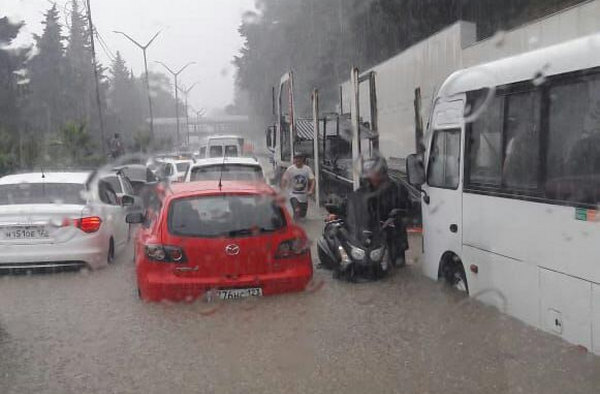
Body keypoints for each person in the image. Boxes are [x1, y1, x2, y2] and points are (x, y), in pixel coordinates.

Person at [329, 155, 410, 267]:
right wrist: (337, 213)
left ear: (382, 172)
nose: (371, 175)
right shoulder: (364, 189)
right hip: (371, 232)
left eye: (374, 172)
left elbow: (408, 208)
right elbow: (352, 202)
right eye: (369, 172)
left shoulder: (398, 189)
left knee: (397, 269)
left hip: (393, 234)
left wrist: (398, 215)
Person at [281, 152, 315, 220]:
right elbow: (284, 179)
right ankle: (295, 226)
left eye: (299, 159)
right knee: (297, 211)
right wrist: (282, 191)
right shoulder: (290, 169)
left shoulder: (307, 169)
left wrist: (311, 190)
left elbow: (312, 180)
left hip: (304, 196)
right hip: (293, 195)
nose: (298, 161)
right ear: (294, 160)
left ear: (303, 160)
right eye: (296, 159)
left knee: (303, 216)